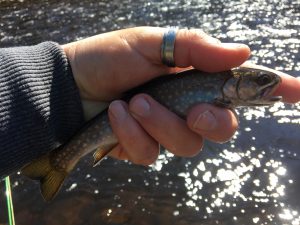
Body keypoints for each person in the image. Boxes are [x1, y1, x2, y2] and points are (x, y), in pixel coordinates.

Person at [0, 27, 299, 179]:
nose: (266, 85)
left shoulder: (221, 89)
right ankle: (57, 163)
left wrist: (69, 82)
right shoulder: (219, 81)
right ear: (236, 82)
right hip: (107, 113)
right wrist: (70, 80)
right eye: (260, 81)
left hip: (102, 112)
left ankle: (59, 161)